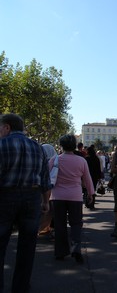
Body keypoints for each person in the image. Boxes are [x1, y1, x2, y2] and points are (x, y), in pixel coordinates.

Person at [0, 114, 51, 293]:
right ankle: (20, 287)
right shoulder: (37, 147)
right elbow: (45, 178)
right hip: (32, 197)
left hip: (5, 197)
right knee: (27, 246)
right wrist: (46, 201)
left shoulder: (2, 145)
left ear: (7, 127)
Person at [50, 134, 94, 263]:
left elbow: (47, 176)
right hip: (75, 196)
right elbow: (87, 178)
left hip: (57, 196)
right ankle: (76, 248)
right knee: (76, 224)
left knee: (59, 224)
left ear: (61, 145)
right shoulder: (81, 161)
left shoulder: (55, 159)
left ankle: (60, 252)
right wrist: (91, 193)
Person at [85, 146, 102, 210]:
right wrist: (99, 177)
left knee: (87, 190)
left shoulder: (86, 158)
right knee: (93, 190)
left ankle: (87, 203)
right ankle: (92, 204)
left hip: (87, 176)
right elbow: (98, 168)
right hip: (94, 176)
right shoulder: (96, 158)